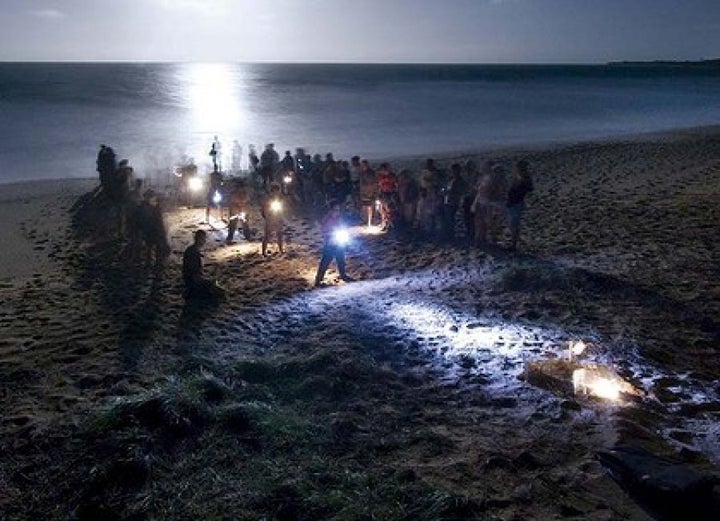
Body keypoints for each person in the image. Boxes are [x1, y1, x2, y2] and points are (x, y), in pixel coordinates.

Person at [314, 200, 355, 287]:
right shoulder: (327, 219)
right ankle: (318, 280)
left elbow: (342, 226)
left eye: (338, 210)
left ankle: (343, 275)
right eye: (335, 210)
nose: (337, 212)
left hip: (338, 242)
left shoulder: (338, 218)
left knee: (341, 259)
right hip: (330, 244)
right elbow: (324, 231)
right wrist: (330, 236)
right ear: (331, 210)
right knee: (325, 261)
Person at [182, 229, 226, 300]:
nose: (205, 241)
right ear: (199, 239)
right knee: (220, 292)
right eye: (203, 239)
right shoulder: (193, 253)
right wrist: (208, 281)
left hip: (192, 280)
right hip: (193, 282)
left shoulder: (192, 249)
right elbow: (194, 275)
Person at [506, 160, 534, 251]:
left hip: (517, 202)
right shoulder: (519, 176)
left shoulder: (525, 177)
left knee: (514, 224)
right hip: (513, 201)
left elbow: (529, 188)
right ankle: (515, 241)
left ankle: (514, 244)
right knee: (512, 224)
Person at [441, 163, 467, 241]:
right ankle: (449, 234)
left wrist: (447, 191)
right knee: (448, 219)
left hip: (453, 201)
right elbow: (445, 188)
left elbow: (457, 191)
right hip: (448, 200)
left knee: (450, 219)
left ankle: (450, 236)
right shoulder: (451, 179)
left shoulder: (459, 180)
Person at [261, 182, 285, 256]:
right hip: (270, 219)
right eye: (274, 190)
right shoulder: (268, 198)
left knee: (279, 235)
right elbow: (264, 208)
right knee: (267, 235)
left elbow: (284, 208)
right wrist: (266, 214)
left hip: (278, 218)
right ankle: (263, 251)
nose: (276, 192)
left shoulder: (280, 198)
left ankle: (281, 249)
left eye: (277, 190)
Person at [225, 180, 252, 244]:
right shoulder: (233, 193)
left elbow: (248, 202)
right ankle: (230, 238)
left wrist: (245, 206)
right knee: (233, 225)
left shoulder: (246, 193)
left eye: (242, 187)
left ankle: (247, 236)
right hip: (235, 211)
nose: (241, 188)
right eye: (239, 187)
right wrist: (237, 207)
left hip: (244, 211)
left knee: (245, 224)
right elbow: (231, 202)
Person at [358, 159, 378, 227]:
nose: (363, 166)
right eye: (362, 165)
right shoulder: (361, 173)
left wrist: (374, 192)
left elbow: (374, 183)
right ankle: (366, 221)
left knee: (371, 207)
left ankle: (371, 221)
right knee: (365, 208)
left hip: (371, 192)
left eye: (364, 165)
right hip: (364, 193)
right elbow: (361, 184)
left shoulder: (371, 173)